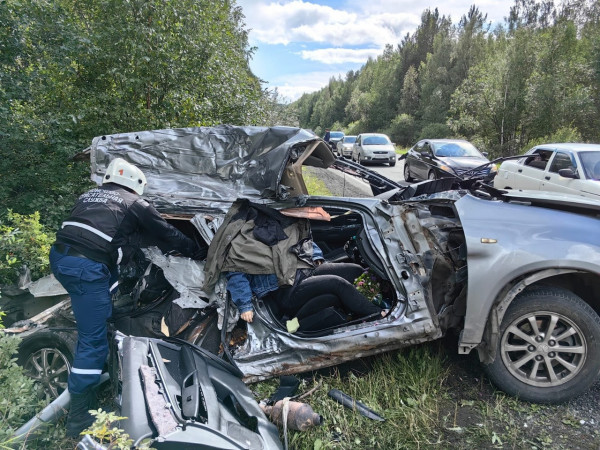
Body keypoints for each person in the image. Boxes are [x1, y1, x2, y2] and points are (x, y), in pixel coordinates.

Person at [50, 158, 202, 437]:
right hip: (87, 268)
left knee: (103, 298)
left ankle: (98, 321)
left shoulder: (90, 195)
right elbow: (166, 233)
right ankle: (79, 418)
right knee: (92, 342)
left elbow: (114, 235)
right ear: (136, 185)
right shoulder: (136, 204)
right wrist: (197, 250)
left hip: (62, 258)